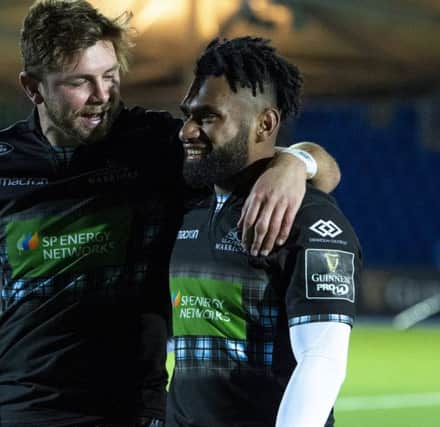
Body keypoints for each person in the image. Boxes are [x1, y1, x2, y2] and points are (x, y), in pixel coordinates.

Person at [0, 2, 341, 427]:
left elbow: (270, 154)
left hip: (134, 411)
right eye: (80, 82)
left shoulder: (158, 145)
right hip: (22, 410)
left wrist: (295, 162)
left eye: (110, 76)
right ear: (33, 88)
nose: (102, 95)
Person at [167, 36, 361, 427]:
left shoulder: (310, 219)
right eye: (188, 114)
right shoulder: (190, 203)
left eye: (207, 117)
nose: (187, 131)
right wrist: (299, 159)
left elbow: (321, 361)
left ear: (265, 124)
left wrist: (294, 161)